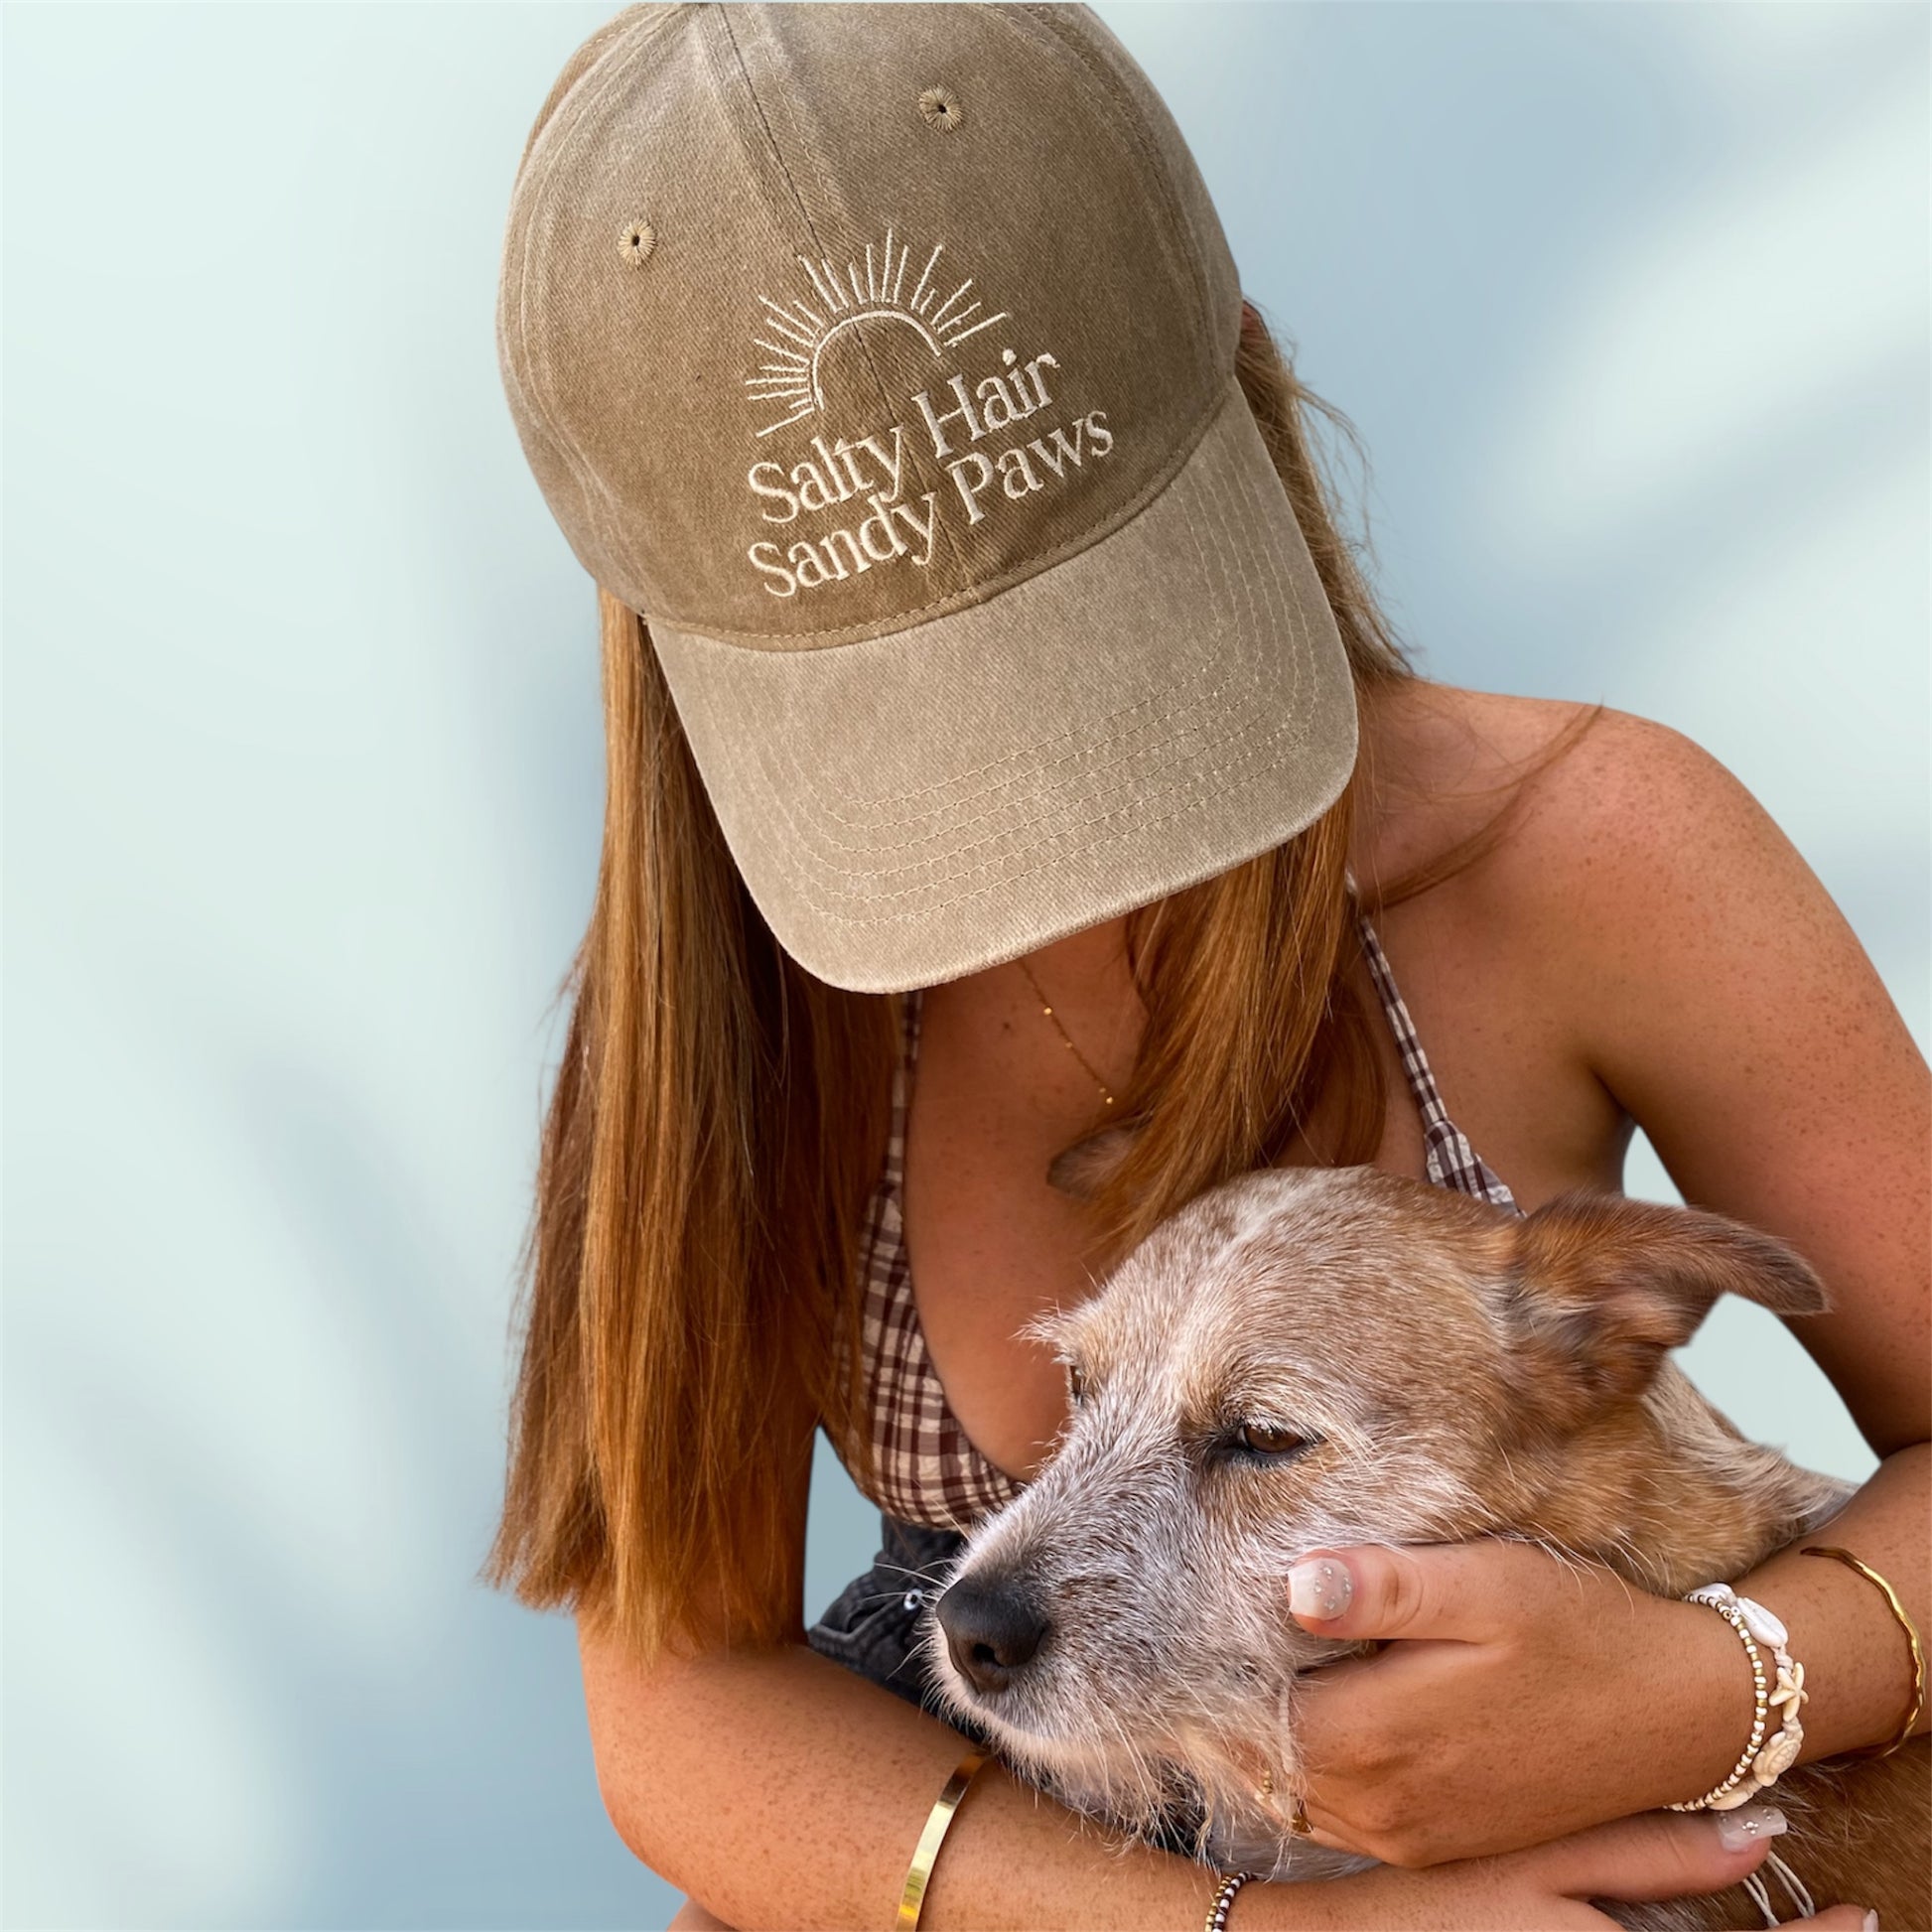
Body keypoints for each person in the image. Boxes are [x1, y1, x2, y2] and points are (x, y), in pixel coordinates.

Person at [483, 7, 1928, 1928]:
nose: (1018, 760)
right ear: (667, 633)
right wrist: (1267, 1928)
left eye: (1085, 623)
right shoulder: (717, 1019)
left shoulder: (1582, 844)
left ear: (1236, 372)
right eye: (892, 686)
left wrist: (1695, 1691)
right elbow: (676, 1704)